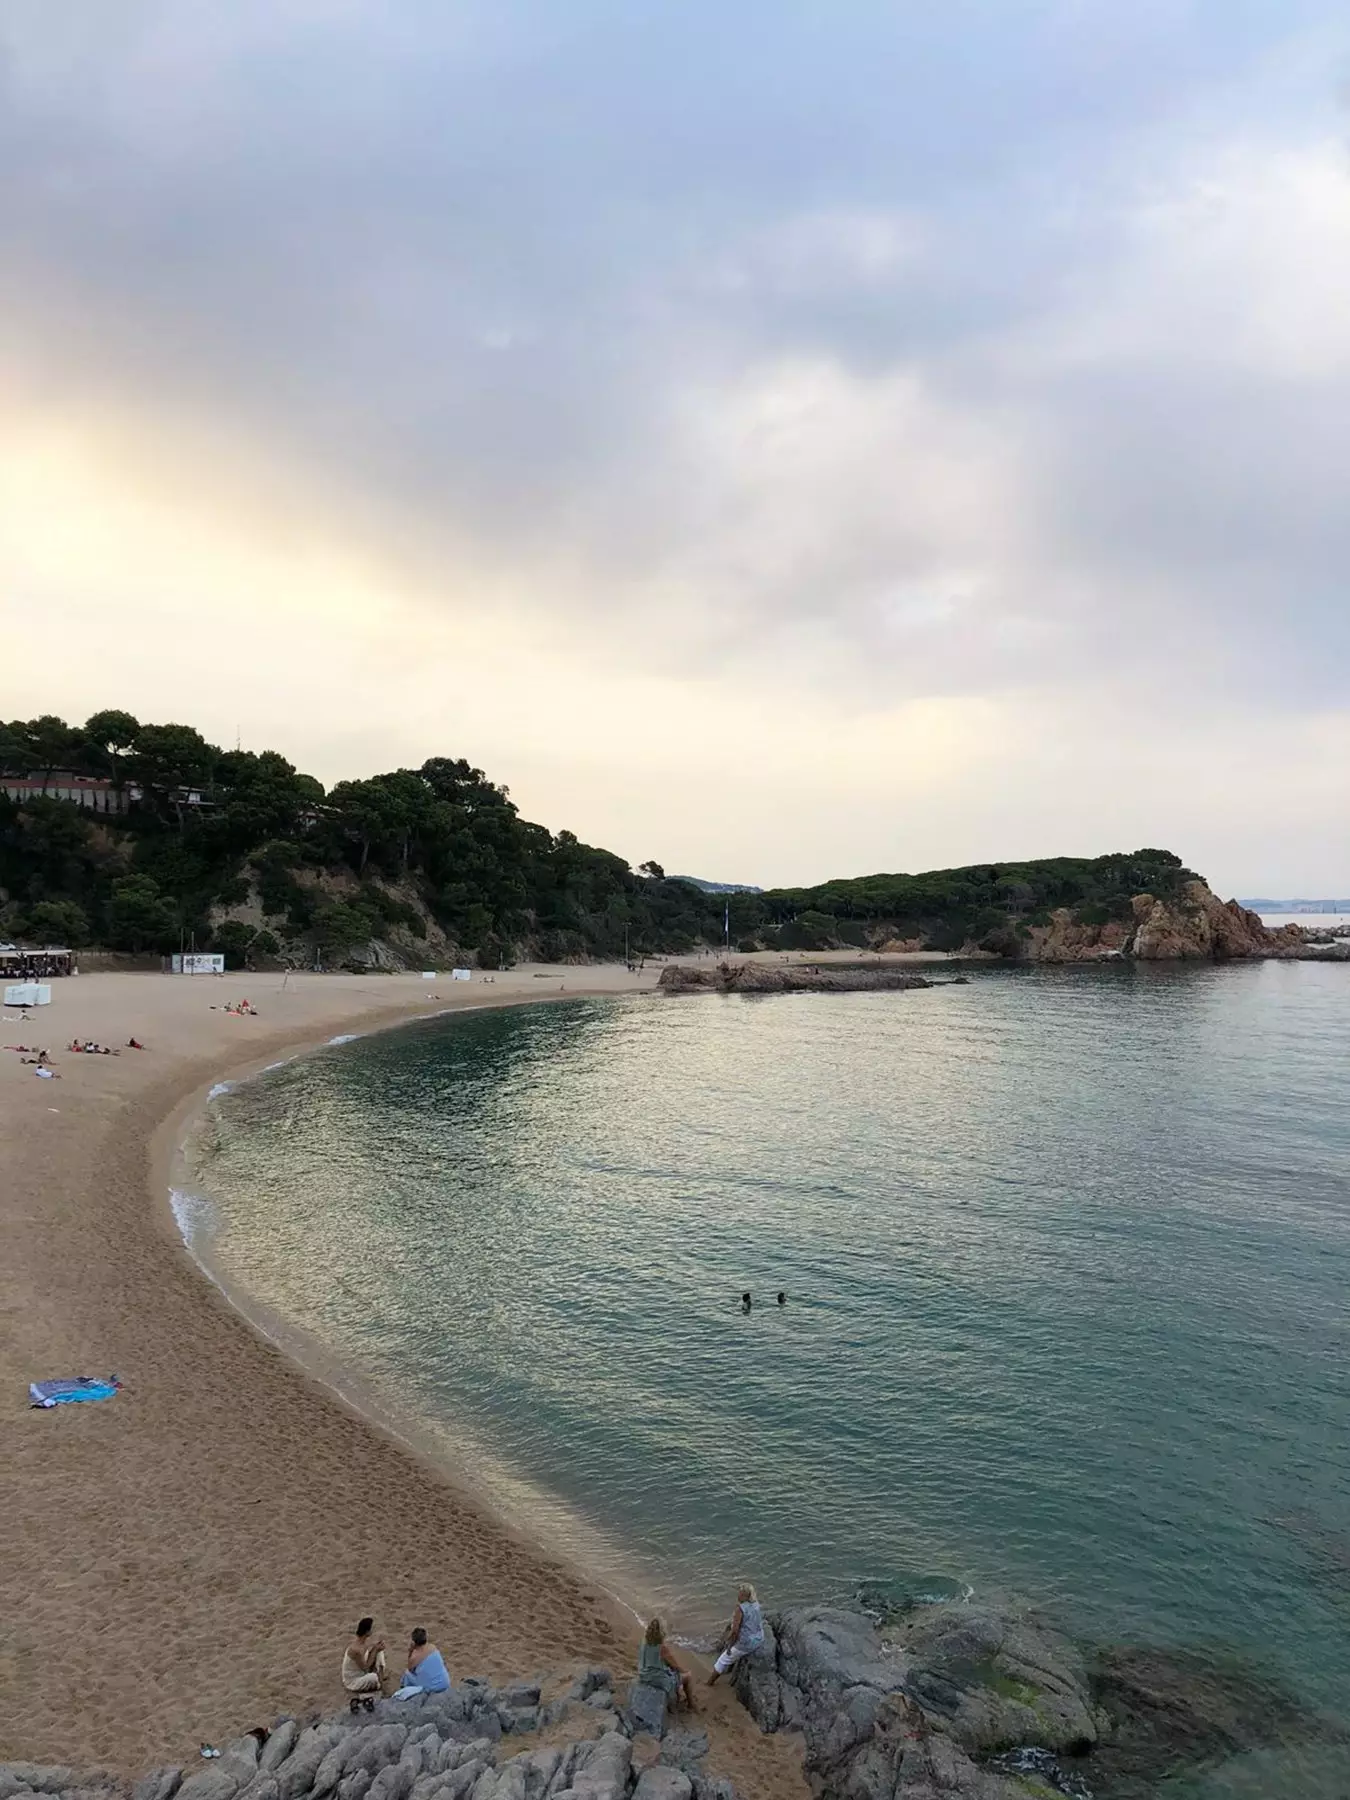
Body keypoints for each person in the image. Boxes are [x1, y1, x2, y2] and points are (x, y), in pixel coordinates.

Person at [707, 1585, 764, 1685]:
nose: (738, 1596)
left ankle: (709, 1682)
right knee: (734, 1654)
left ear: (746, 1596)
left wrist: (729, 1646)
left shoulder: (740, 1609)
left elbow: (735, 1631)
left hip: (747, 1643)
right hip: (759, 1639)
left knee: (723, 1660)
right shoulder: (756, 1604)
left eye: (741, 1594)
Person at [637, 1617, 695, 1711]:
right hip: (654, 1677)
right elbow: (675, 1665)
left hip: (643, 1673)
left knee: (671, 1671)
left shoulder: (644, 1642)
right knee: (687, 1677)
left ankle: (677, 1695)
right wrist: (686, 1671)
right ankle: (691, 1705)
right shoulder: (662, 1648)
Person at [342, 1618, 387, 1711]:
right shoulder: (355, 1650)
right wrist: (374, 1650)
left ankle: (380, 1680)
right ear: (366, 1632)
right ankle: (379, 1682)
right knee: (373, 1677)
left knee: (380, 1652)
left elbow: (367, 1659)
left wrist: (376, 1649)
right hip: (353, 1681)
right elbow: (365, 1668)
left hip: (362, 1673)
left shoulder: (363, 1643)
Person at [394, 1626, 450, 1698]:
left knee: (406, 1674)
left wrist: (411, 1651)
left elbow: (410, 1669)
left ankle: (404, 1689)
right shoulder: (433, 1647)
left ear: (414, 1641)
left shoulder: (415, 1657)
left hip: (433, 1688)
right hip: (445, 1683)